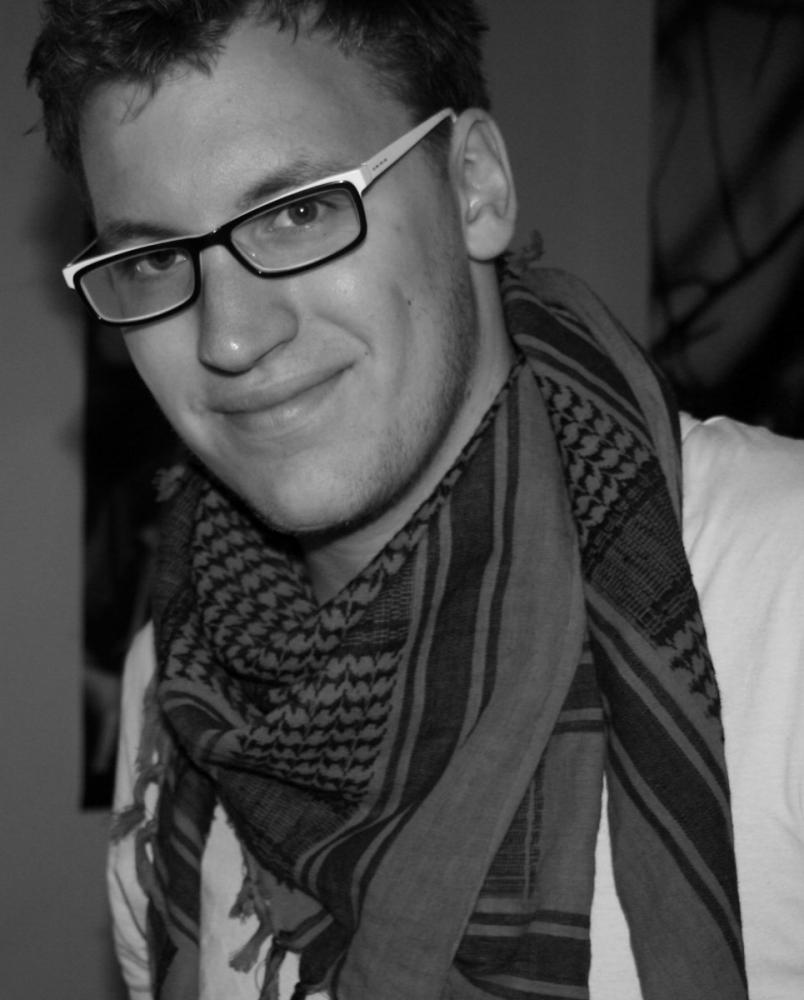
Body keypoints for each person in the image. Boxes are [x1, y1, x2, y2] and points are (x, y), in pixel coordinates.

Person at [25, 2, 804, 999]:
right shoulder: (171, 681)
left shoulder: (778, 588)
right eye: (153, 260)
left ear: (475, 185)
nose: (230, 337)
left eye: (298, 212)